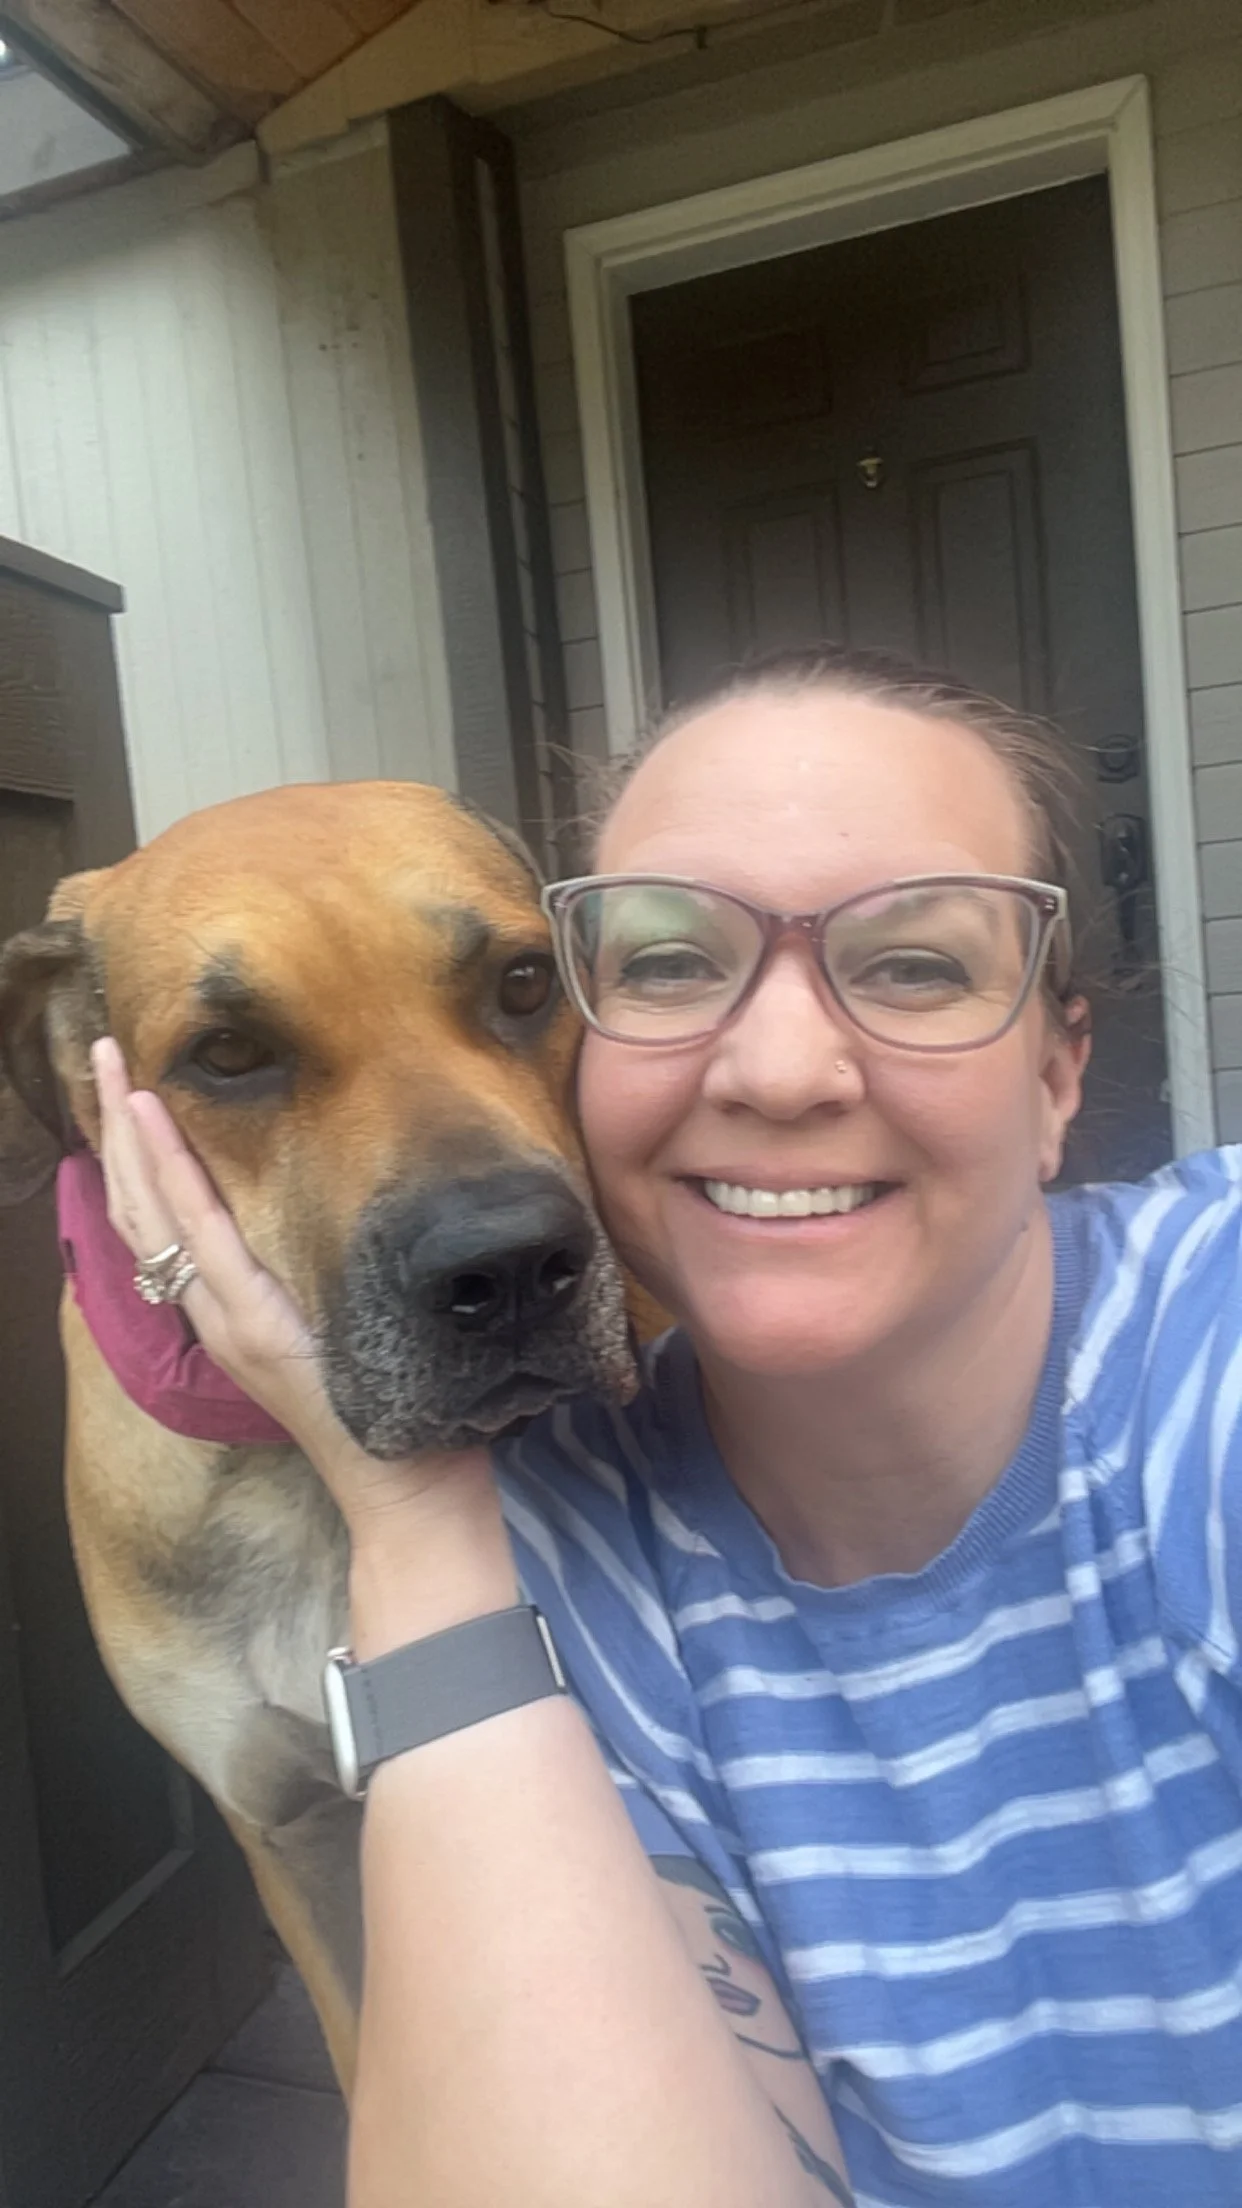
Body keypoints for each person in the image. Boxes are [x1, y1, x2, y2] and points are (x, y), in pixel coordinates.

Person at [92, 645, 1242, 2208]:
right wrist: (410, 1504)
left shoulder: (1204, 1345)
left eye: (912, 963)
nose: (777, 1070)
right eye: (672, 964)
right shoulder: (555, 1555)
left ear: (1059, 1073)